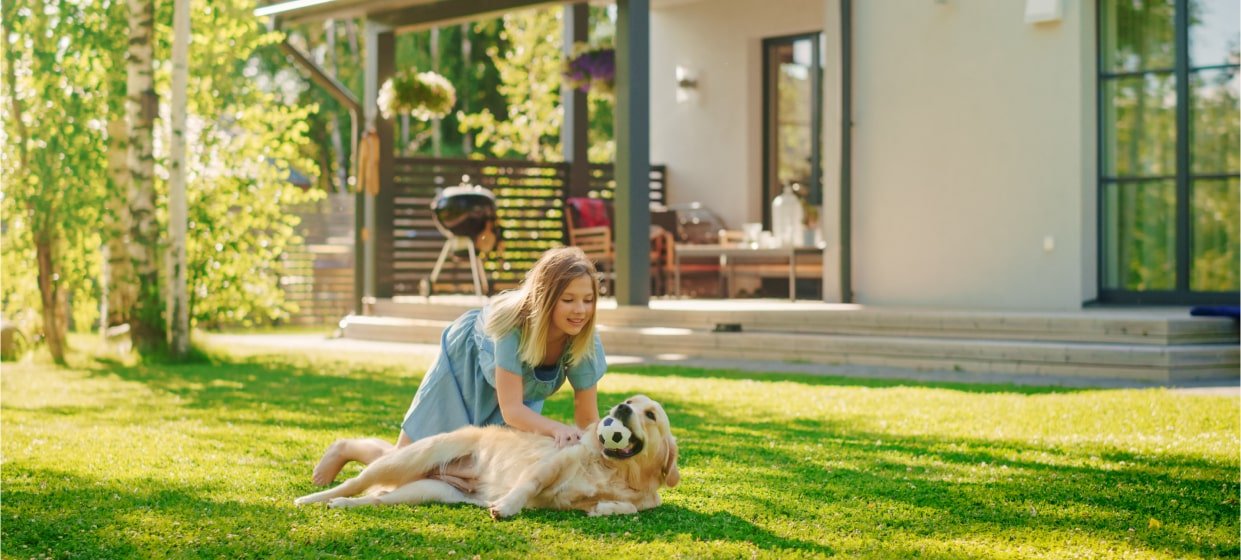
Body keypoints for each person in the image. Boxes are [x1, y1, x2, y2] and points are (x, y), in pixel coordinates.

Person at [312, 246, 607, 485]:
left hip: (516, 392)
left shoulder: (584, 341)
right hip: (464, 369)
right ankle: (347, 448)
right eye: (568, 300)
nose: (580, 310)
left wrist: (599, 460)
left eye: (588, 300)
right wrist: (556, 429)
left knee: (474, 473)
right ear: (544, 299)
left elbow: (586, 416)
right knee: (408, 465)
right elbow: (513, 410)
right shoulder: (511, 327)